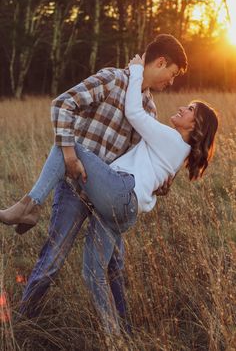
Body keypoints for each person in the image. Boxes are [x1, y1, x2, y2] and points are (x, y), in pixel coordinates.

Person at [0, 56, 218, 333]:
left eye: (189, 110)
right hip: (119, 204)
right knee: (95, 273)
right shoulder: (115, 81)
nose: (172, 85)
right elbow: (65, 105)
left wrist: (136, 70)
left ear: (195, 126)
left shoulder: (163, 128)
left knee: (67, 145)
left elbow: (134, 114)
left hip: (116, 192)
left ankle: (29, 205)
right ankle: (116, 335)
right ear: (160, 62)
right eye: (172, 74)